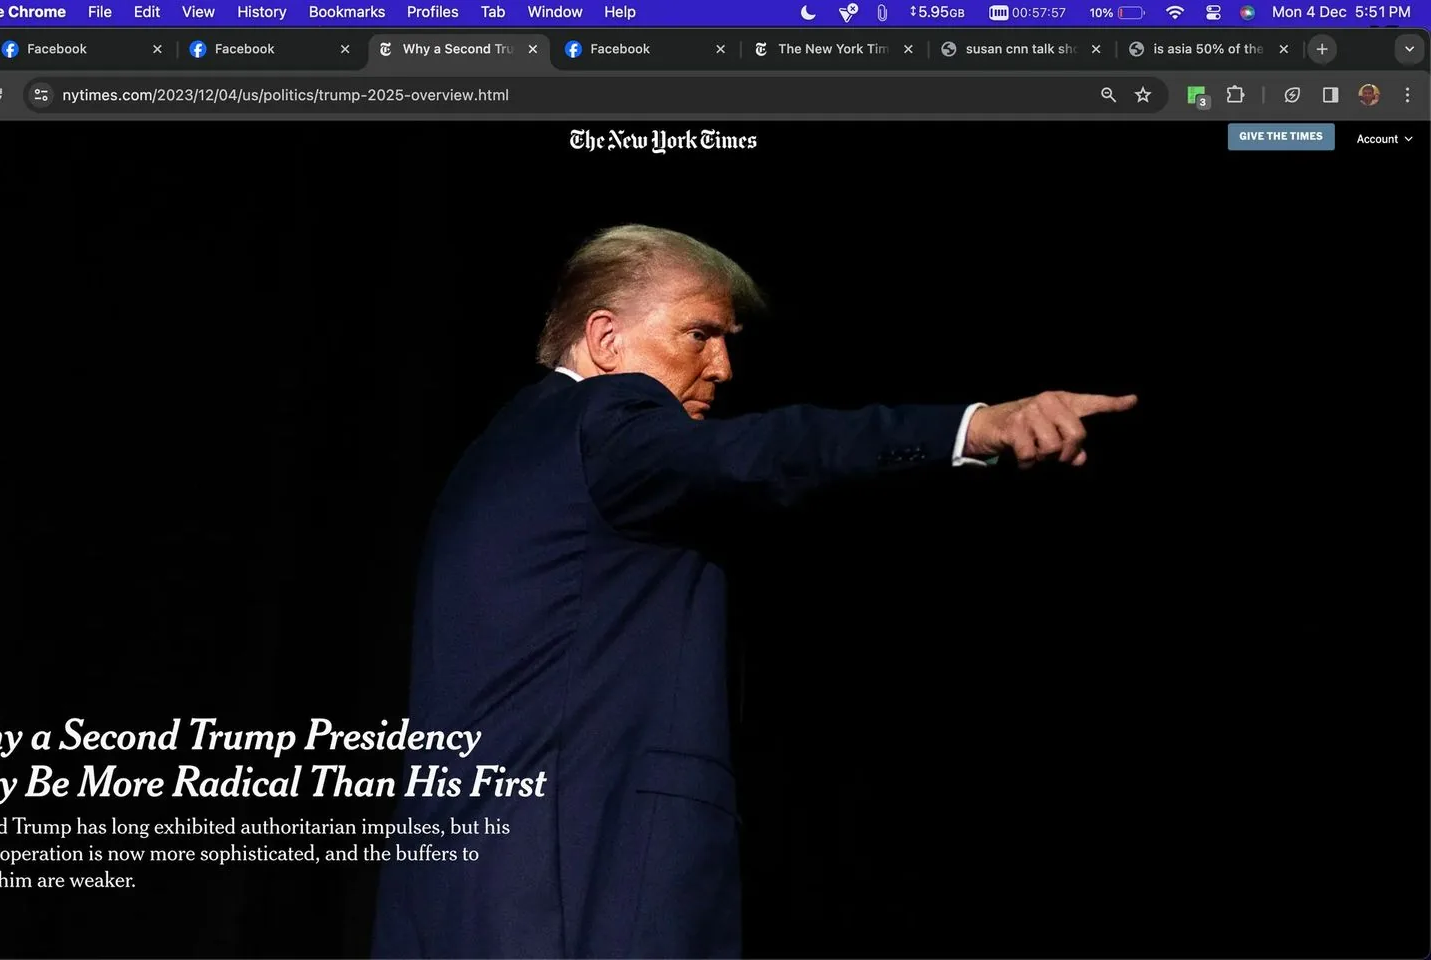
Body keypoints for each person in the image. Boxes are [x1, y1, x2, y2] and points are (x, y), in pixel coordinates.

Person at [370, 225, 1136, 959]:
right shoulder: (608, 418)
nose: (724, 368)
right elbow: (765, 451)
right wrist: (974, 428)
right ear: (606, 340)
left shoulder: (489, 459)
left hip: (460, 889)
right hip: (585, 880)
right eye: (699, 334)